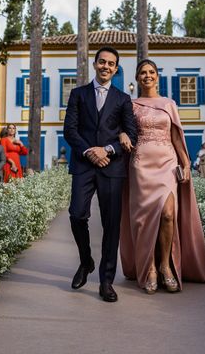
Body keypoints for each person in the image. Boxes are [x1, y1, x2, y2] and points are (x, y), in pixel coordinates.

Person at [119, 59, 205, 296]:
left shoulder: (169, 104)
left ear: (157, 76)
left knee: (169, 214)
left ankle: (165, 266)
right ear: (138, 78)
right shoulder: (130, 105)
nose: (147, 76)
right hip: (140, 165)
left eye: (151, 72)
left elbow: (176, 136)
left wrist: (186, 164)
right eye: (143, 72)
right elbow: (122, 129)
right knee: (145, 219)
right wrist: (121, 134)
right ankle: (149, 268)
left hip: (167, 163)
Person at [63, 46, 138, 302]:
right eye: (102, 62)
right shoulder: (78, 94)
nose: (106, 66)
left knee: (111, 225)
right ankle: (86, 261)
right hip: (84, 165)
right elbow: (70, 131)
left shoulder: (123, 99)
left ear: (116, 69)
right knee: (76, 215)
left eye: (111, 64)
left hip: (112, 167)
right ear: (94, 64)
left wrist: (107, 149)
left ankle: (106, 281)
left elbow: (132, 134)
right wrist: (89, 152)